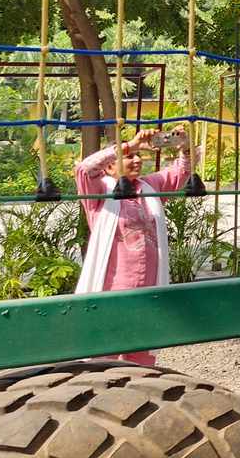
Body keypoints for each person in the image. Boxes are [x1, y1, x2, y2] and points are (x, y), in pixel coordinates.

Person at [75, 126, 197, 366]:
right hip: (113, 286)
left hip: (149, 284)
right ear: (110, 165)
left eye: (140, 156)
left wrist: (184, 144)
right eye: (130, 157)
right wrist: (129, 145)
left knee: (141, 349)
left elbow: (182, 170)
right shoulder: (99, 191)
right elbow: (83, 169)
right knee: (106, 348)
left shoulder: (149, 187)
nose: (138, 159)